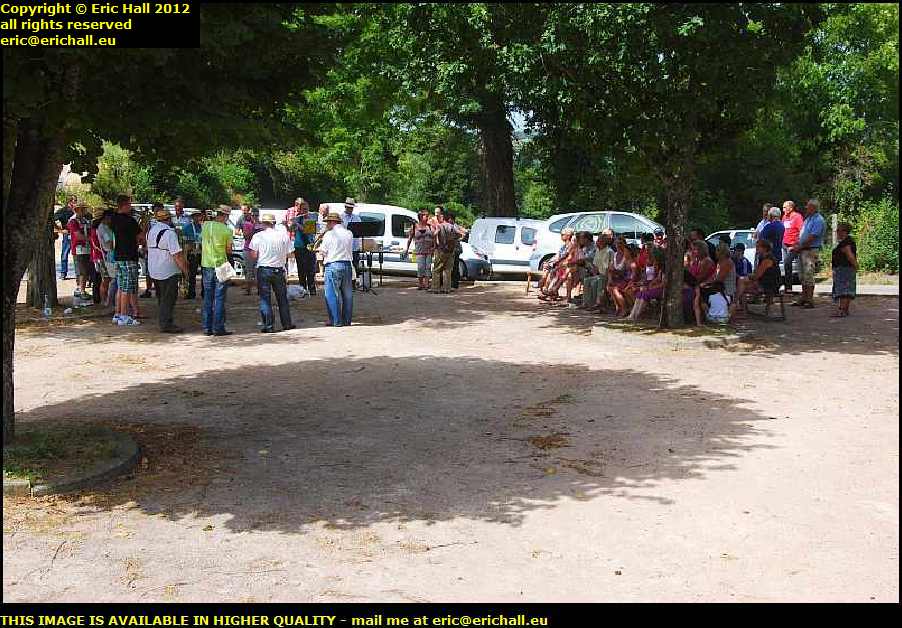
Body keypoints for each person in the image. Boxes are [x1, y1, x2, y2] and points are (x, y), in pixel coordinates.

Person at [248, 213, 295, 333]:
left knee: (265, 298)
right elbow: (290, 254)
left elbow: (253, 255)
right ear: (273, 223)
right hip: (279, 269)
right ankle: (287, 323)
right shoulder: (283, 236)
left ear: (263, 223)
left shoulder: (258, 236)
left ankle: (268, 326)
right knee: (282, 298)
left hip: (264, 269)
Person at [147, 207, 188, 333]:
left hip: (153, 269)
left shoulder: (151, 231)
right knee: (169, 298)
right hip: (167, 270)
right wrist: (185, 270)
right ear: (168, 219)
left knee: (161, 297)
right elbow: (177, 255)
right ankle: (166, 324)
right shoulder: (169, 233)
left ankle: (163, 320)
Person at [109, 195, 144, 326]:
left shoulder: (114, 219)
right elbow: (141, 237)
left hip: (118, 256)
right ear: (123, 205)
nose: (131, 206)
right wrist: (143, 227)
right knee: (126, 288)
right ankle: (124, 316)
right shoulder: (130, 221)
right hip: (129, 257)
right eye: (129, 204)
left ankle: (118, 313)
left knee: (121, 286)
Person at [201, 205, 235, 336]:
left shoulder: (205, 226)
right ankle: (218, 328)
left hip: (206, 265)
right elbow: (229, 250)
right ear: (226, 216)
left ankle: (206, 327)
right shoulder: (226, 230)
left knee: (208, 297)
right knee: (219, 298)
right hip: (221, 265)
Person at [789, 198, 826, 309]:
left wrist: (799, 246)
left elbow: (812, 237)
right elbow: (802, 234)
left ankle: (809, 300)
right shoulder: (808, 219)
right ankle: (804, 297)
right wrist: (796, 244)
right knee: (802, 276)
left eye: (808, 206)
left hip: (810, 250)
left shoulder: (818, 220)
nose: (806, 208)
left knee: (808, 275)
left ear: (814, 208)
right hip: (803, 250)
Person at [731, 240, 781, 319]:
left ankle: (735, 305)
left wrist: (748, 276)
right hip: (764, 283)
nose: (756, 249)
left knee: (741, 283)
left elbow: (757, 276)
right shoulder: (763, 258)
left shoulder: (768, 259)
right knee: (741, 283)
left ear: (764, 248)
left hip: (769, 285)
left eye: (758, 247)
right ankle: (738, 306)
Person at [320, 212, 354, 327]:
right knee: (348, 295)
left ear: (331, 222)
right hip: (347, 264)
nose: (327, 225)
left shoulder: (328, 235)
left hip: (333, 264)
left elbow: (323, 252)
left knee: (331, 294)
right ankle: (347, 320)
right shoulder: (349, 233)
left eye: (327, 222)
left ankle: (336, 320)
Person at [694, 243, 736, 325]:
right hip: (718, 286)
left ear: (722, 253)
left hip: (725, 289)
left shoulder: (727, 262)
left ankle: (706, 314)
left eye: (717, 251)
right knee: (701, 289)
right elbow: (714, 277)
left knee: (702, 292)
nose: (715, 253)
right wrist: (705, 283)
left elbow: (719, 279)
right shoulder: (720, 262)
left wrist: (706, 284)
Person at [627, 246, 665, 321]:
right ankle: (632, 314)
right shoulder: (660, 268)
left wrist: (650, 287)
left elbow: (663, 284)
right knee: (640, 293)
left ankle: (637, 315)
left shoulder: (665, 268)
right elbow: (657, 278)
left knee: (644, 293)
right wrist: (651, 283)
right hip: (653, 285)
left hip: (661, 289)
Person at [581, 232, 614, 311]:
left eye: (599, 240)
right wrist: (595, 273)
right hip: (599, 274)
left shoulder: (609, 251)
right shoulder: (598, 251)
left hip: (607, 275)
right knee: (587, 280)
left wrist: (601, 275)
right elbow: (595, 265)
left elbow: (608, 267)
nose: (597, 242)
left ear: (603, 242)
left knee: (599, 280)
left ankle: (599, 303)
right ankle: (587, 303)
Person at [67, 203, 93, 305]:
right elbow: (78, 236)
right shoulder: (73, 221)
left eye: (84, 209)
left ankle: (82, 289)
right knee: (82, 271)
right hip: (79, 249)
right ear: (77, 210)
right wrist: (91, 239)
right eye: (82, 209)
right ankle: (81, 290)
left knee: (85, 270)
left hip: (86, 249)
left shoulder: (84, 220)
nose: (84, 211)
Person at [831, 222, 858, 318]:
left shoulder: (846, 242)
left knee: (843, 290)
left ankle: (842, 310)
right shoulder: (846, 241)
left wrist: (856, 266)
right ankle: (845, 310)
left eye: (839, 230)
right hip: (845, 269)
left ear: (845, 232)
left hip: (844, 269)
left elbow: (850, 256)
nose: (837, 232)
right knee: (847, 289)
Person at [291, 199, 318, 296]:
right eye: (302, 209)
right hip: (299, 247)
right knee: (301, 269)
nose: (304, 211)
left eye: (306, 209)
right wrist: (291, 224)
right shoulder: (297, 218)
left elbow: (308, 231)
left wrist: (298, 224)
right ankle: (302, 289)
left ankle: (312, 289)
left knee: (310, 269)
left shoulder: (312, 218)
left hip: (309, 246)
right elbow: (292, 230)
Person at [404, 209, 435, 291]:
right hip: (419, 251)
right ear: (421, 217)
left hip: (429, 250)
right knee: (421, 267)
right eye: (426, 215)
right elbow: (410, 238)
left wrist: (434, 247)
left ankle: (427, 284)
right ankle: (420, 284)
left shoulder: (429, 226)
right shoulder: (414, 226)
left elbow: (434, 237)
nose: (428, 217)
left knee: (428, 267)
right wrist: (406, 249)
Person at [430, 209, 458, 294]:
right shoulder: (452, 227)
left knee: (437, 269)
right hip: (450, 251)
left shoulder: (440, 226)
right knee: (447, 270)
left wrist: (435, 242)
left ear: (444, 218)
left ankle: (435, 288)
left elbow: (434, 234)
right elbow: (458, 236)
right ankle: (447, 288)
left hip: (441, 250)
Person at [607, 236, 636, 317]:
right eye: (617, 243)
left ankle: (624, 308)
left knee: (616, 289)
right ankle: (618, 307)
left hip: (627, 280)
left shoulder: (631, 262)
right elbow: (611, 268)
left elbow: (632, 275)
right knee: (610, 287)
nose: (618, 246)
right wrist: (610, 277)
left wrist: (630, 283)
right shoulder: (617, 256)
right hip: (621, 278)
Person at [95, 209, 117, 307]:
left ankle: (109, 300)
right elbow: (109, 243)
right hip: (108, 254)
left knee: (110, 279)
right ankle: (106, 301)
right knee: (108, 279)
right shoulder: (102, 228)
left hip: (111, 253)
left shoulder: (108, 227)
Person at [781, 200, 804, 294]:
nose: (783, 210)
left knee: (788, 262)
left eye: (785, 207)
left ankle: (803, 287)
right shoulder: (784, 217)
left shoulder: (797, 217)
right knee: (787, 266)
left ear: (791, 208)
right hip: (785, 244)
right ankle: (788, 287)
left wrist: (795, 245)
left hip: (793, 245)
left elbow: (802, 232)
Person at [181, 210, 204, 299]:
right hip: (192, 253)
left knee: (204, 274)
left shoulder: (203, 227)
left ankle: (204, 292)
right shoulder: (187, 228)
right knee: (192, 274)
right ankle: (191, 292)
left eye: (199, 216)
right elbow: (184, 242)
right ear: (192, 217)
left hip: (203, 253)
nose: (198, 218)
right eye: (195, 216)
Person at [55, 197, 77, 280]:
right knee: (65, 254)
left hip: (77, 234)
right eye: (73, 201)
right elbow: (53, 218)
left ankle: (80, 274)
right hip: (67, 234)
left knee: (79, 254)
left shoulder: (77, 210)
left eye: (75, 201)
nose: (74, 202)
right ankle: (63, 272)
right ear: (69, 202)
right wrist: (60, 230)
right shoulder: (63, 210)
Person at [341, 197, 362, 277]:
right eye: (349, 207)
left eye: (352, 208)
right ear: (345, 207)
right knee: (346, 267)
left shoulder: (357, 217)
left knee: (355, 266)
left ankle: (353, 286)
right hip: (344, 247)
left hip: (354, 247)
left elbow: (360, 230)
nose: (350, 209)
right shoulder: (341, 217)